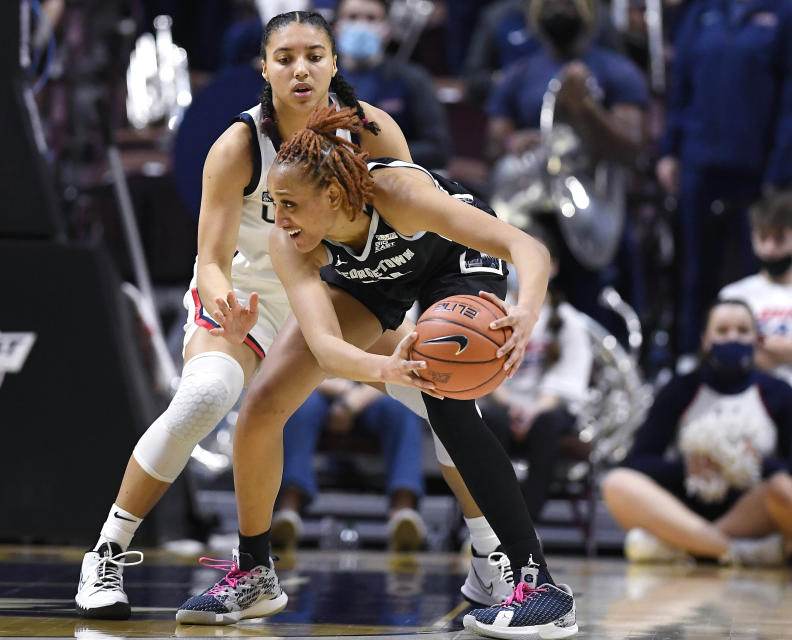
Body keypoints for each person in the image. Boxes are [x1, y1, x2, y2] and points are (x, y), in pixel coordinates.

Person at [75, 10, 511, 621]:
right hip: (250, 301)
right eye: (285, 58)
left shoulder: (376, 133)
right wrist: (222, 304)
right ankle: (110, 552)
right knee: (206, 394)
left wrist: (426, 329)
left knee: (448, 394)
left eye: (314, 55)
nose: (300, 68)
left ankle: (494, 560)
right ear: (265, 69)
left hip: (343, 296)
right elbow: (209, 258)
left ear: (335, 64)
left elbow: (407, 246)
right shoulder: (236, 145)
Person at [175, 106, 578, 639]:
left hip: (450, 263)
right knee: (262, 405)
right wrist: (387, 367)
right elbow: (325, 346)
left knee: (448, 407)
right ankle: (254, 572)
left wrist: (526, 312)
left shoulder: (402, 197)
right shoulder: (291, 242)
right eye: (276, 204)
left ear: (336, 198)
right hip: (371, 276)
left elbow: (526, 246)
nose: (280, 217)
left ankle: (541, 586)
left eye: (291, 204)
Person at [485, 0, 648, 323]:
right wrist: (511, 140)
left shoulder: (616, 70)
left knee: (596, 308)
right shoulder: (520, 72)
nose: (558, 10)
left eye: (567, 4)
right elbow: (494, 141)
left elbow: (631, 146)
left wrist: (586, 107)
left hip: (594, 209)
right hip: (535, 211)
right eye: (549, 4)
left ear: (587, 12)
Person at [601, 300, 792, 565]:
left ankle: (683, 547)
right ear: (705, 339)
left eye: (742, 330)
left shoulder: (779, 392)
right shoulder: (681, 388)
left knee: (784, 489)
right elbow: (639, 460)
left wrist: (759, 464)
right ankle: (733, 550)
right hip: (685, 509)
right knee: (617, 483)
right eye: (722, 331)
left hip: (750, 509)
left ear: (757, 339)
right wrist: (686, 469)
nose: (733, 337)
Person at [657, 0, 792, 360]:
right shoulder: (701, 11)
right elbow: (680, 85)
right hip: (700, 162)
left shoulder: (782, 12)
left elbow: (789, 98)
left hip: (757, 167)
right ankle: (688, 358)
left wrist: (780, 168)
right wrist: (670, 150)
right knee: (695, 270)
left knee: (757, 268)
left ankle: (758, 361)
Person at [479, 227, 593, 521]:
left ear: (552, 268)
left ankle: (524, 526)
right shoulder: (490, 311)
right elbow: (482, 370)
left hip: (547, 411)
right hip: (501, 406)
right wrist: (510, 404)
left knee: (547, 424)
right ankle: (485, 523)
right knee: (489, 422)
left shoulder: (569, 322)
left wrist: (532, 410)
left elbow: (567, 384)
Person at [271, 378, 428, 551]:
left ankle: (403, 514)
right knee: (299, 405)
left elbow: (399, 373)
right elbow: (295, 369)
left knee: (403, 406)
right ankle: (288, 512)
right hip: (320, 390)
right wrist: (342, 390)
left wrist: (353, 402)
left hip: (373, 393)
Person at [333, 0, 452, 169]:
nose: (361, 25)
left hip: (397, 180)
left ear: (387, 29)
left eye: (371, 18)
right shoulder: (320, 80)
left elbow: (438, 150)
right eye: (352, 17)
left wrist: (376, 154)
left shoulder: (413, 79)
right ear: (336, 27)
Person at [463, 0, 623, 106]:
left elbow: (622, 71)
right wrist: (507, 82)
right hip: (524, 115)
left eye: (567, 6)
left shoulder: (594, 13)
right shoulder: (499, 17)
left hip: (590, 108)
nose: (558, 10)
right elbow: (473, 80)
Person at [720, 193, 792, 386]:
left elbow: (746, 348)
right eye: (762, 237)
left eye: (779, 238)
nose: (769, 249)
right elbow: (726, 352)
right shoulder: (733, 295)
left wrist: (757, 345)